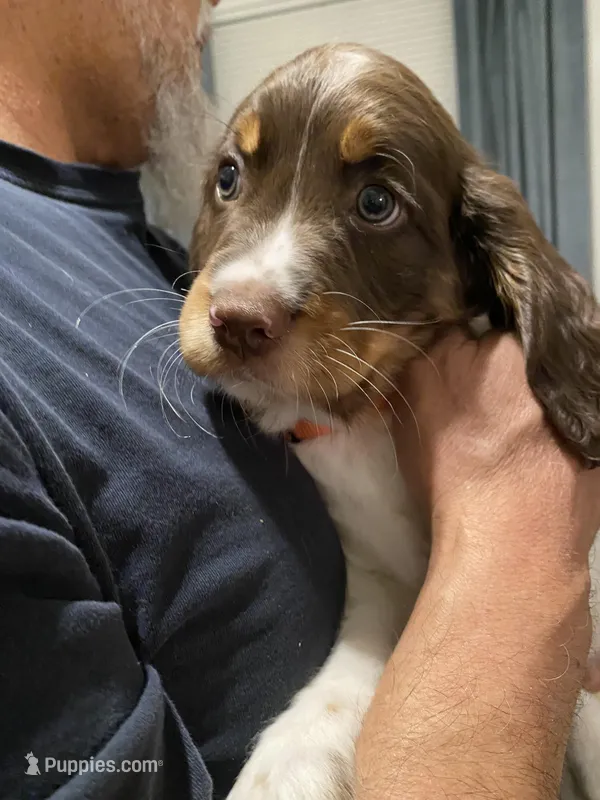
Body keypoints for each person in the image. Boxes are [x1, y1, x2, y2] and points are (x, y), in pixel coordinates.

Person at [0, 2, 598, 799]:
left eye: (376, 203)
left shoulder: (131, 235)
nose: (245, 291)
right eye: (231, 179)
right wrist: (513, 556)